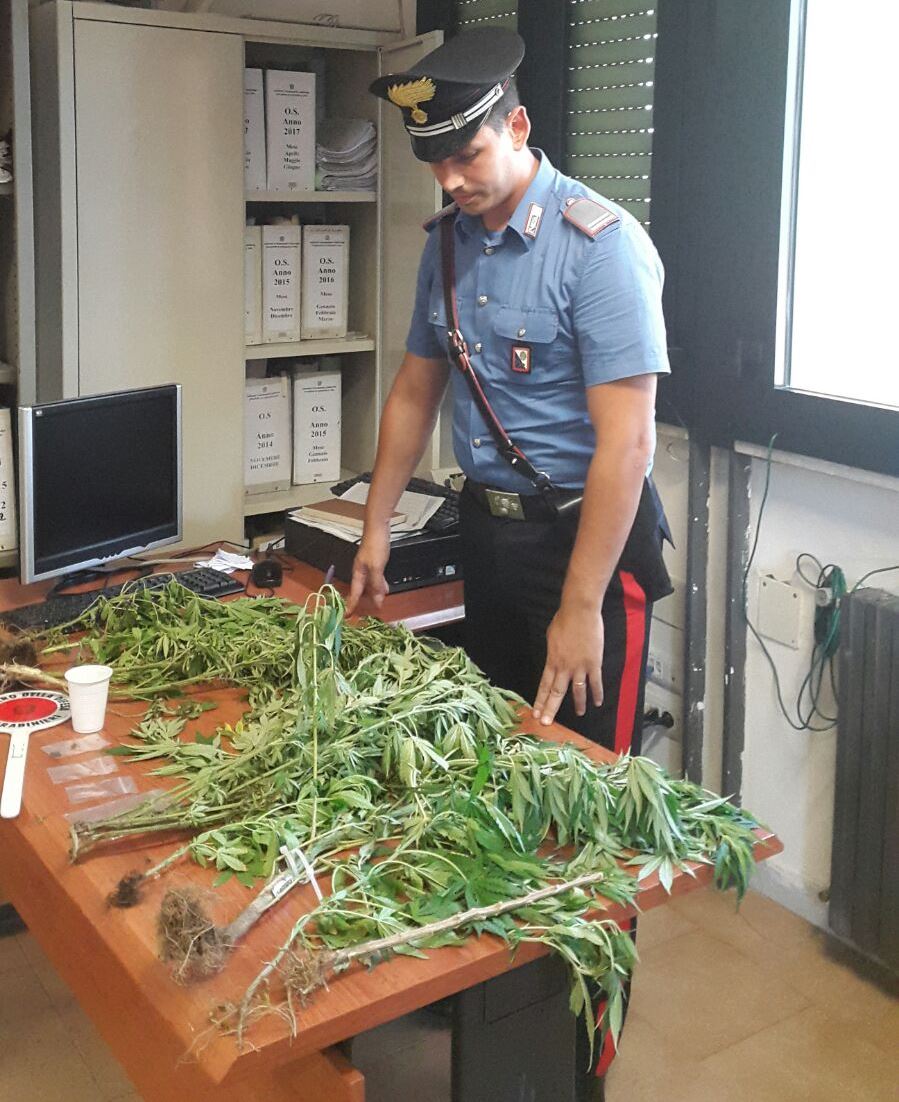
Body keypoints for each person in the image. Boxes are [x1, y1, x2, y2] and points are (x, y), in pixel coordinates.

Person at [348, 26, 673, 1095]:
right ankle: (497, 1009)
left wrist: (578, 605)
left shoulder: (600, 245)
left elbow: (626, 444)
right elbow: (412, 392)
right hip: (489, 541)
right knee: (495, 783)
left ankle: (583, 1052)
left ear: (518, 126)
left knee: (588, 808)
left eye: (467, 155)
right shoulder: (447, 244)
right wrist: (377, 523)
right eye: (433, 162)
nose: (451, 179)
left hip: (590, 551)